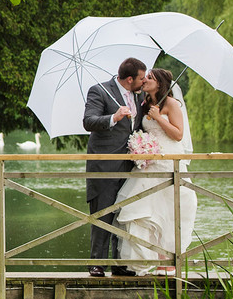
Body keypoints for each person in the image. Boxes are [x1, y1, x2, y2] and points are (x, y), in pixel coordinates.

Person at [115, 68, 197, 276]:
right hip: (149, 164)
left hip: (168, 163)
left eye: (149, 78)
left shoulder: (171, 104)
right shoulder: (145, 104)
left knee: (168, 211)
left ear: (160, 83)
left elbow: (178, 135)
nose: (145, 81)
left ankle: (167, 263)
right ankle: (143, 261)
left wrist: (159, 118)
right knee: (142, 209)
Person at [82, 57, 146, 278]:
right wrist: (113, 117)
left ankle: (120, 263)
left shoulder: (141, 96)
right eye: (141, 78)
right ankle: (97, 263)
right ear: (129, 79)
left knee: (124, 213)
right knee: (103, 212)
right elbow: (88, 121)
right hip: (105, 164)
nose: (144, 81)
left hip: (131, 165)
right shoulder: (99, 91)